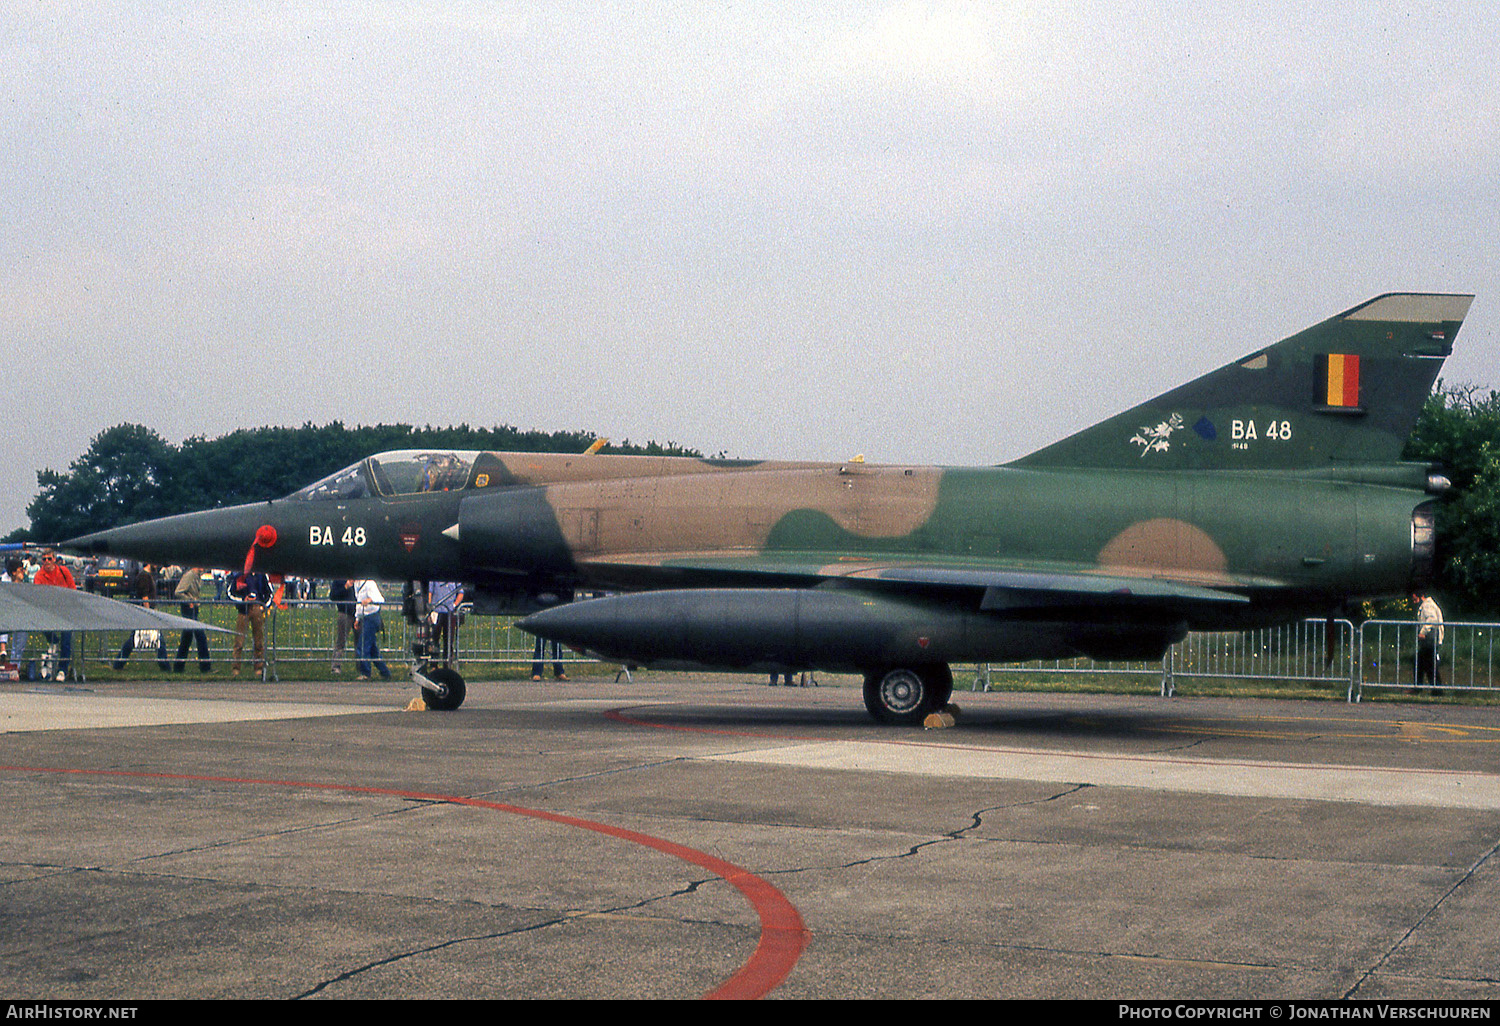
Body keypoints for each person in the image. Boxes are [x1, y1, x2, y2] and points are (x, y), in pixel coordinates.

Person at [113, 564, 170, 671]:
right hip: (146, 612)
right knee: (149, 639)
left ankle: (119, 663)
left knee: (136, 639)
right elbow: (145, 596)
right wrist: (149, 612)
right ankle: (164, 664)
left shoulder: (147, 576)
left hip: (146, 612)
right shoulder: (144, 577)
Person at [33, 549, 76, 681]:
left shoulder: (64, 571)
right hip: (48, 610)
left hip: (65, 609)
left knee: (67, 640)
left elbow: (72, 589)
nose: (47, 562)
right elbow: (38, 596)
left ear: (54, 560)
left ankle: (63, 669)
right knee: (42, 626)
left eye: (49, 559)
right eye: (44, 559)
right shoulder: (39, 576)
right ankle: (53, 641)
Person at [228, 568, 271, 678]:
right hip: (243, 610)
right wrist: (243, 600)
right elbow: (230, 593)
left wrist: (263, 606)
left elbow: (269, 593)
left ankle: (259, 667)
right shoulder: (240, 575)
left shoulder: (261, 575)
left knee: (258, 641)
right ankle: (236, 668)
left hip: (257, 608)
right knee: (239, 641)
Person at [172, 567, 213, 673]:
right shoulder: (190, 575)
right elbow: (178, 592)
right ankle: (205, 667)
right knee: (200, 636)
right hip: (188, 609)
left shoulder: (197, 576)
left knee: (187, 638)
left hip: (193, 608)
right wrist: (189, 600)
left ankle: (178, 667)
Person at [354, 579, 392, 680]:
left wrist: (369, 600)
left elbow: (380, 599)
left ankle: (366, 673)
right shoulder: (356, 584)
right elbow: (359, 603)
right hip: (365, 617)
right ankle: (385, 672)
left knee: (362, 646)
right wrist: (357, 618)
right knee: (372, 649)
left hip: (372, 617)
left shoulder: (369, 583)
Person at [427, 581, 464, 664]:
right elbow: (430, 592)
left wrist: (454, 605)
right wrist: (430, 608)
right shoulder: (434, 576)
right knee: (434, 639)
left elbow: (460, 593)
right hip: (436, 611)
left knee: (449, 640)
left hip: (450, 612)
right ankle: (434, 664)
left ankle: (447, 664)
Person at [1415, 592, 1445, 694]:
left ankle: (1436, 690)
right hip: (1430, 639)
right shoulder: (1427, 604)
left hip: (1430, 639)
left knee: (1429, 665)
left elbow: (1432, 619)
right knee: (1421, 663)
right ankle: (1419, 687)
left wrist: (1423, 631)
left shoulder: (1427, 605)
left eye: (1415, 599)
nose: (1414, 601)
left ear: (1421, 596)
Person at [328, 578, 356, 674]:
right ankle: (335, 666)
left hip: (358, 614)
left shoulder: (358, 580)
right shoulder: (339, 580)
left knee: (360, 642)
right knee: (341, 641)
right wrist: (345, 587)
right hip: (344, 613)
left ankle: (362, 668)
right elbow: (332, 596)